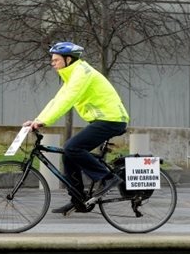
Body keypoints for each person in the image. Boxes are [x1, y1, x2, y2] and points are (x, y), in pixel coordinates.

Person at [24, 42, 130, 214]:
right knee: (69, 154)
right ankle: (79, 200)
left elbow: (68, 100)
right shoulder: (73, 75)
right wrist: (38, 119)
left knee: (72, 147)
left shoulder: (82, 73)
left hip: (112, 119)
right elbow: (57, 100)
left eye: (56, 60)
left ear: (68, 59)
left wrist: (44, 122)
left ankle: (108, 178)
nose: (53, 63)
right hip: (101, 120)